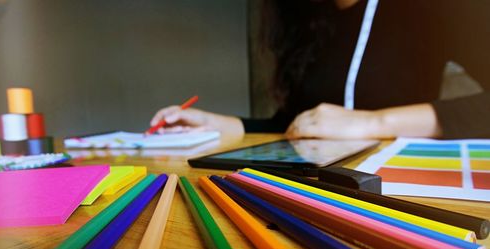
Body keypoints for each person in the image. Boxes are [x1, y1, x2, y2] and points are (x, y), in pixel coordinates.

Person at [151, 0, 490, 139]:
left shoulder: (438, 10)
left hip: (396, 194)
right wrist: (220, 125)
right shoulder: (306, 17)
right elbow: (300, 122)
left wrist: (375, 122)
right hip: (314, 188)